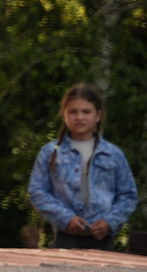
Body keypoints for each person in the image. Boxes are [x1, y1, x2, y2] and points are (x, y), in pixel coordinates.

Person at [28, 85, 138, 248]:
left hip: (103, 241)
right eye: (73, 112)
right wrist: (66, 218)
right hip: (65, 239)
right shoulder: (51, 152)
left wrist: (109, 222)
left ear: (98, 115)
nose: (79, 117)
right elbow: (37, 192)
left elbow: (128, 195)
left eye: (86, 112)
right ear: (64, 115)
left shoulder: (113, 154)